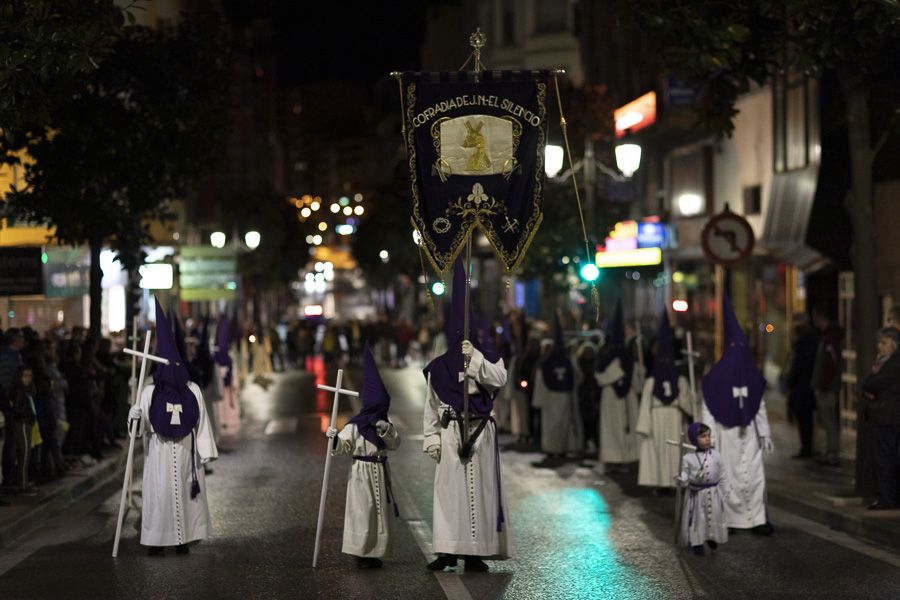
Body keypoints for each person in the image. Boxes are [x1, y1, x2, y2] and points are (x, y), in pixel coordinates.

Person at [423, 257, 511, 572]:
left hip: (480, 434)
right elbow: (432, 404)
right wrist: (430, 437)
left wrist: (474, 359)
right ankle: (447, 550)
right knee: (449, 494)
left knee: (479, 493)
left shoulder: (488, 358)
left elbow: (498, 380)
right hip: (450, 435)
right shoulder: (439, 367)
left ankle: (476, 553)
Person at [128, 299, 218, 555]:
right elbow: (138, 430)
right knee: (161, 496)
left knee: (183, 498)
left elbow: (201, 423)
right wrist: (134, 415)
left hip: (186, 454)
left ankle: (183, 540)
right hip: (158, 454)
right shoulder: (149, 392)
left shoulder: (192, 390)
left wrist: (205, 451)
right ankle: (157, 541)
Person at [700, 295, 774, 535]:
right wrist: (706, 437)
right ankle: (729, 520)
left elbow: (759, 404)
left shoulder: (751, 375)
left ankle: (757, 519)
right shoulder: (717, 377)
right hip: (726, 435)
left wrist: (765, 433)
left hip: (749, 434)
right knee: (728, 478)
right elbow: (709, 405)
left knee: (754, 476)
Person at [325, 344, 401, 568]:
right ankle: (361, 553)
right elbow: (344, 445)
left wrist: (386, 430)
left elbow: (395, 443)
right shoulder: (356, 425)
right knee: (362, 512)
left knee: (378, 513)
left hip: (379, 469)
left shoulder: (383, 424)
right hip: (361, 474)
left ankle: (375, 552)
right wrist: (334, 438)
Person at [636, 310, 693, 490]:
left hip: (665, 417)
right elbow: (686, 403)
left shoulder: (660, 380)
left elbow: (646, 404)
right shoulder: (671, 380)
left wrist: (644, 425)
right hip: (669, 416)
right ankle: (661, 483)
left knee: (670, 451)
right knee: (661, 451)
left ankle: (671, 482)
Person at [595, 301, 642, 470]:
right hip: (610, 397)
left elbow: (637, 382)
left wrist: (636, 375)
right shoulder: (605, 358)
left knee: (628, 426)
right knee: (612, 429)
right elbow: (600, 378)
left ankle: (628, 459)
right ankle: (613, 459)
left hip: (627, 396)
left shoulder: (630, 358)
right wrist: (618, 372)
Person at [861, 327, 900, 510]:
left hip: (889, 416)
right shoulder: (882, 362)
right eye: (879, 342)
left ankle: (888, 498)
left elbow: (874, 383)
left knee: (886, 457)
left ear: (893, 344)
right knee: (885, 457)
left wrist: (870, 387)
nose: (880, 346)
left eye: (884, 343)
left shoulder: (893, 363)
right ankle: (887, 496)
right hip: (884, 415)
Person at [532, 314, 581, 458]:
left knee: (556, 426)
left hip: (554, 398)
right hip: (556, 398)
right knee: (556, 426)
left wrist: (538, 401)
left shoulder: (551, 363)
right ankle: (557, 449)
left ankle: (556, 449)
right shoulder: (560, 363)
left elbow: (576, 378)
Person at [676, 422, 728, 556]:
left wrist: (725, 492)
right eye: (703, 436)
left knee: (712, 517)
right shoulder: (688, 458)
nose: (707, 439)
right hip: (696, 495)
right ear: (694, 438)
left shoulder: (716, 455)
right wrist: (681, 479)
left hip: (713, 492)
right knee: (698, 518)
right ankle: (697, 542)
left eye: (709, 436)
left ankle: (711, 537)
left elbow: (723, 474)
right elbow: (685, 474)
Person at [811, 306, 843, 466]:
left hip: (827, 388)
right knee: (828, 421)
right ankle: (830, 450)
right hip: (828, 386)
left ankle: (832, 452)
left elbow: (830, 364)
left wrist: (823, 386)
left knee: (829, 421)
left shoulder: (830, 338)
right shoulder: (828, 336)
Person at [784, 318, 820, 459]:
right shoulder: (812, 346)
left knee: (803, 421)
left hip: (800, 389)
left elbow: (795, 369)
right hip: (807, 388)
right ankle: (808, 447)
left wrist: (789, 382)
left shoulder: (800, 349)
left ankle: (806, 448)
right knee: (807, 421)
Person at [9, 365, 38, 495]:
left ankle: (24, 481)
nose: (27, 379)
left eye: (29, 376)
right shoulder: (20, 391)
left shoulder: (27, 391)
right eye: (25, 376)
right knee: (24, 454)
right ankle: (22, 484)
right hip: (22, 423)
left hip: (27, 423)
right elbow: (18, 409)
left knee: (26, 454)